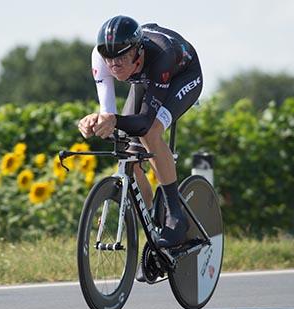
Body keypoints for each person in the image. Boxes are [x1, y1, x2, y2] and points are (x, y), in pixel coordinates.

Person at [78, 15, 203, 250]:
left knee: (150, 134)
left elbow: (144, 122)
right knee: (127, 154)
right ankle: (151, 223)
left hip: (182, 76)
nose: (115, 66)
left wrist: (114, 121)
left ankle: (176, 216)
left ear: (138, 52)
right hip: (147, 80)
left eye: (123, 58)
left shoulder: (161, 55)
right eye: (110, 60)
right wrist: (95, 121)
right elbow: (109, 114)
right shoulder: (100, 57)